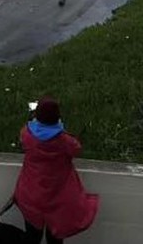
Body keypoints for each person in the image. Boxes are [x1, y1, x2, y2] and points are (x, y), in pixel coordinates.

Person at [13, 97, 99, 244]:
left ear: (36, 115)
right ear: (58, 117)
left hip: (30, 195)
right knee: (55, 238)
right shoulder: (65, 141)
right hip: (58, 200)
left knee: (32, 236)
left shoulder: (26, 134)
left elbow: (24, 139)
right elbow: (76, 148)